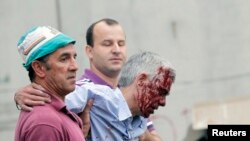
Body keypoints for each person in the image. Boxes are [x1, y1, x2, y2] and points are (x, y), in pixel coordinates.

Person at [14, 18, 162, 140]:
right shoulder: (77, 96)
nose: (116, 49)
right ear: (89, 51)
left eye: (121, 43)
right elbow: (44, 110)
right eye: (107, 43)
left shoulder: (129, 95)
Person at [65, 51, 176, 141]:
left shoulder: (140, 122)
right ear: (141, 81)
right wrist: (47, 94)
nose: (163, 102)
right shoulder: (94, 95)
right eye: (161, 92)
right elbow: (53, 103)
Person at [14, 26, 85, 141]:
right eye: (64, 59)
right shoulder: (45, 122)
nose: (75, 66)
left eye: (74, 57)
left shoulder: (53, 115)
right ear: (39, 68)